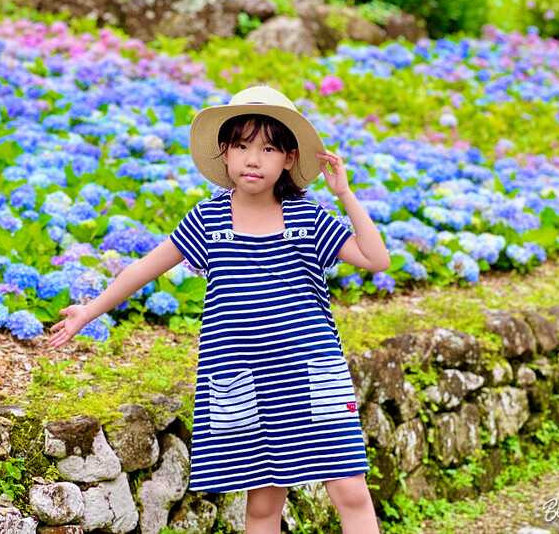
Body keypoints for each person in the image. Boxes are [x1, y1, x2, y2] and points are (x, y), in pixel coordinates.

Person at [49, 85, 389, 534]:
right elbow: (144, 269)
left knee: (351, 493)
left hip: (311, 378)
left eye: (268, 148)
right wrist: (89, 310)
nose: (253, 159)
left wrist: (345, 195)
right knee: (264, 505)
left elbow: (377, 259)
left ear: (288, 159)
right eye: (243, 146)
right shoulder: (208, 220)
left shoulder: (308, 219)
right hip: (246, 381)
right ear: (224, 153)